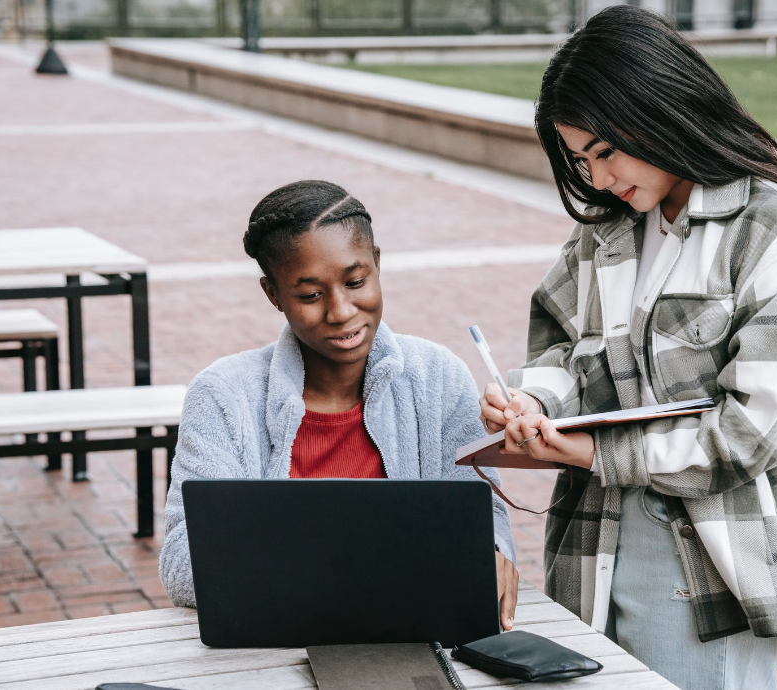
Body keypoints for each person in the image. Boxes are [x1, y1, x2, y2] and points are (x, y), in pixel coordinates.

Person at [479, 7, 777, 689]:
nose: (594, 178)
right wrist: (532, 399)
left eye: (603, 150)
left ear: (655, 107)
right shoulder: (608, 230)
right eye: (578, 160)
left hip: (705, 556)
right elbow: (569, 350)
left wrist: (592, 452)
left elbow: (750, 434)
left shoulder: (770, 230)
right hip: (593, 537)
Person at [160, 180, 519, 630]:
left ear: (378, 264)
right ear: (272, 294)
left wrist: (491, 553)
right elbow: (182, 564)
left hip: (412, 637)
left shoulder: (438, 377)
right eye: (310, 295)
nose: (341, 310)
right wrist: (392, 565)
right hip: (269, 644)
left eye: (356, 281)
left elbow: (482, 518)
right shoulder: (222, 396)